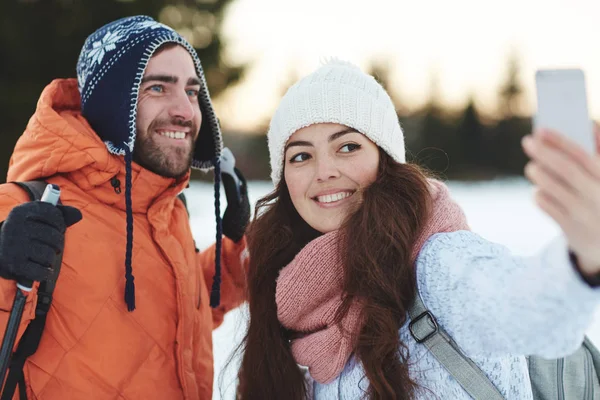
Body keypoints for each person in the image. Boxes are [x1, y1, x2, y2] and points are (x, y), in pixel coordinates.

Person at [236, 59, 600, 399]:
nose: (324, 171)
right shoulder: (285, 293)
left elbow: (524, 306)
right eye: (301, 155)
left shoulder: (437, 264)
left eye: (347, 146)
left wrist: (583, 255)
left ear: (385, 161)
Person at [0, 15, 250, 399]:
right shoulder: (24, 212)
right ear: (111, 103)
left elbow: (175, 315)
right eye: (158, 88)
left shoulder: (168, 211)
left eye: (192, 91)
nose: (185, 110)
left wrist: (231, 251)